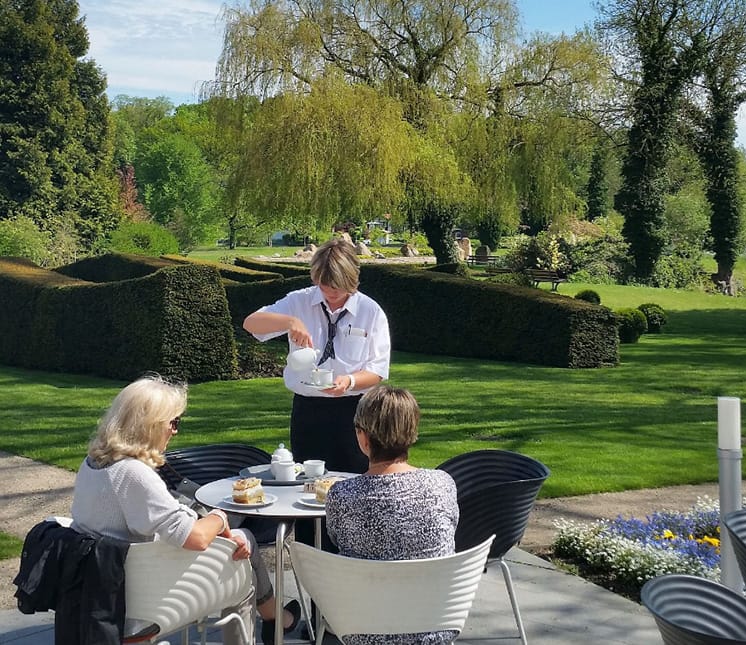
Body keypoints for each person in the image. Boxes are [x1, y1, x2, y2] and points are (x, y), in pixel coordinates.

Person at [69, 375, 300, 645]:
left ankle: (275, 616)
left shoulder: (93, 464)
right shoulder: (134, 474)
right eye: (173, 422)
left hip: (102, 584)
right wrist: (220, 518)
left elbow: (158, 518)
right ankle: (270, 620)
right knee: (243, 546)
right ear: (150, 426)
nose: (175, 431)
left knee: (237, 543)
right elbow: (196, 537)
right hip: (146, 596)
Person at [243, 237, 391, 475]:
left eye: (337, 287)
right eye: (323, 286)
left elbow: (378, 369)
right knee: (307, 483)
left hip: (355, 412)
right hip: (308, 410)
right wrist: (289, 321)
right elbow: (251, 323)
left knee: (352, 479)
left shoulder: (370, 311)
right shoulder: (299, 301)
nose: (330, 293)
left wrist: (349, 381)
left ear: (352, 280)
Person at [325, 385, 459, 645]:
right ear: (413, 432)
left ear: (363, 439)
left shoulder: (342, 495)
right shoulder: (443, 484)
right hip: (435, 627)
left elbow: (337, 540)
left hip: (364, 631)